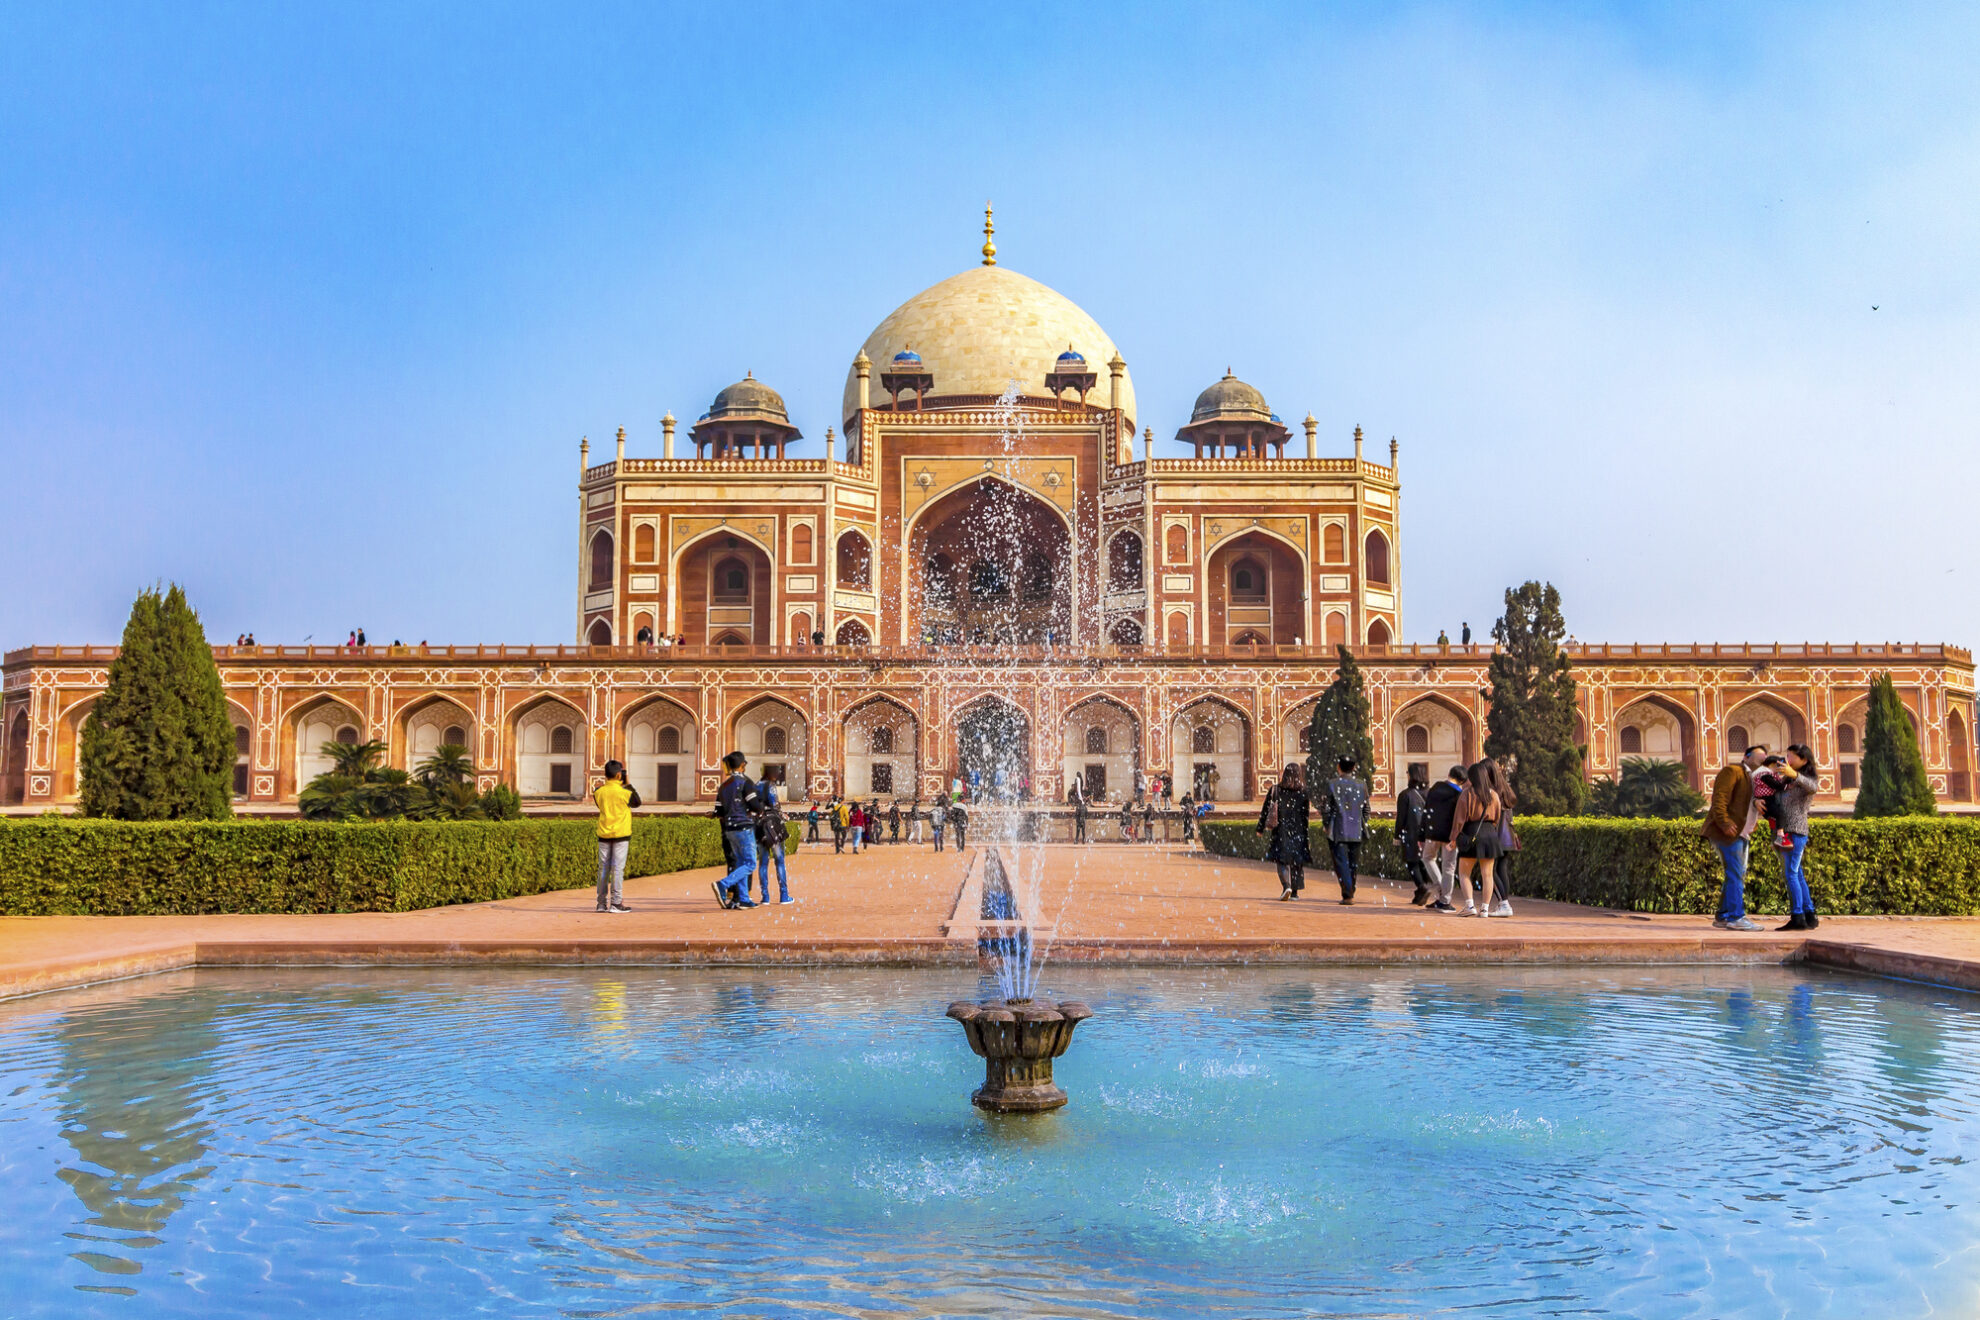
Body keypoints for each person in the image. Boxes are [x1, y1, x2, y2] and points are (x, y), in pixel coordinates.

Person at [1703, 743, 1767, 931]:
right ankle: (1736, 917)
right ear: (1746, 756)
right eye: (1759, 754)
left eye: (1765, 755)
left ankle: (1723, 916)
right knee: (1736, 874)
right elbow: (1719, 799)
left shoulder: (1754, 778)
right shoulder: (1733, 771)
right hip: (1729, 832)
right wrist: (1724, 823)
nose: (1763, 757)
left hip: (1742, 832)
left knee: (1735, 874)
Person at [1773, 744, 1821, 930]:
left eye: (1793, 757)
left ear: (1804, 760)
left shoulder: (1804, 778)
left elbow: (1813, 787)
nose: (1789, 759)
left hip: (1796, 830)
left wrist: (1794, 775)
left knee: (1791, 874)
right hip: (1786, 830)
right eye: (1788, 756)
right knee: (1797, 874)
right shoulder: (1788, 779)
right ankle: (1809, 914)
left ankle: (1798, 916)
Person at [1447, 759, 1502, 917]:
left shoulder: (1467, 794)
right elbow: (1497, 817)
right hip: (1490, 833)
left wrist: (1453, 839)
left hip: (1471, 833)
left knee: (1464, 873)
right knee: (1488, 874)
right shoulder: (1493, 795)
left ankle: (1469, 906)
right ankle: (1485, 908)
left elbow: (1459, 820)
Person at [712, 751, 762, 909]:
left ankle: (743, 899)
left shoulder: (724, 785)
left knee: (740, 862)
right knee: (750, 863)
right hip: (743, 827)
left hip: (729, 829)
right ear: (743, 765)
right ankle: (723, 884)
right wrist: (761, 810)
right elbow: (755, 805)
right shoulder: (746, 783)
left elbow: (718, 812)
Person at [1256, 762, 1313, 899]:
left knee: (1281, 859)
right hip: (1298, 830)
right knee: (1296, 861)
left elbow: (1265, 811)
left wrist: (1260, 828)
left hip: (1281, 829)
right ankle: (1294, 892)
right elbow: (1305, 815)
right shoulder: (1304, 791)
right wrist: (1305, 833)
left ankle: (1286, 885)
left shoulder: (1276, 789)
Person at [592, 759, 640, 913]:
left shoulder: (598, 792)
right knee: (617, 870)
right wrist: (627, 783)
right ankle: (616, 903)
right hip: (621, 835)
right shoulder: (626, 793)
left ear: (605, 775)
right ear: (620, 775)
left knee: (603, 870)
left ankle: (601, 904)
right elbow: (637, 802)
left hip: (604, 834)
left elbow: (600, 805)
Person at [1320, 756, 1369, 904]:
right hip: (1356, 831)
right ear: (1354, 768)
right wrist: (1360, 822)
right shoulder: (1361, 784)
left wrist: (1326, 824)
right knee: (1353, 863)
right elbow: (1366, 808)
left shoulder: (1332, 784)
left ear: (1339, 767)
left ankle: (1348, 893)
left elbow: (1326, 808)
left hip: (1338, 830)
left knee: (1341, 863)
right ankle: (1350, 889)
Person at [1424, 765, 1465, 912]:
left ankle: (1440, 890)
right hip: (1450, 836)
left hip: (1432, 832)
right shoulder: (1460, 794)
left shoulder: (1434, 788)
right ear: (1462, 781)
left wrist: (1422, 833)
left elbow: (1426, 810)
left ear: (1449, 773)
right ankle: (1445, 900)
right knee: (1449, 867)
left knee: (1428, 858)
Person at [1395, 765, 1433, 905]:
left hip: (1411, 834)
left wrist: (1397, 835)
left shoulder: (1406, 795)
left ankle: (1422, 887)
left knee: (1412, 863)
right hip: (1428, 834)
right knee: (1424, 862)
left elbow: (1401, 818)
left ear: (1411, 775)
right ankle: (1420, 892)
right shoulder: (1431, 793)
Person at [1487, 758, 1519, 917]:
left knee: (1489, 871)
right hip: (1508, 836)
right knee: (1501, 869)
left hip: (1497, 835)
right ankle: (1504, 902)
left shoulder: (1491, 792)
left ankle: (1504, 904)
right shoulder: (1505, 788)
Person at [755, 774, 793, 904]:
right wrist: (781, 815)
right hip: (774, 826)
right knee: (780, 862)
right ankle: (784, 895)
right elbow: (775, 806)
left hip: (761, 827)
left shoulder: (755, 787)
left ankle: (765, 897)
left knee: (763, 863)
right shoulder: (771, 787)